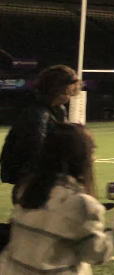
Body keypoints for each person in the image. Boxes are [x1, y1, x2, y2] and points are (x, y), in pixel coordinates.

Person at [0, 124, 114, 275]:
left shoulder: (26, 188)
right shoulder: (80, 204)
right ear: (79, 157)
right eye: (90, 151)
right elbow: (98, 254)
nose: (93, 159)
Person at [1, 66, 82, 196]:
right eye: (69, 91)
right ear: (56, 88)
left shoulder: (56, 110)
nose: (71, 96)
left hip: (42, 180)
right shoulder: (37, 114)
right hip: (33, 183)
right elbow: (35, 152)